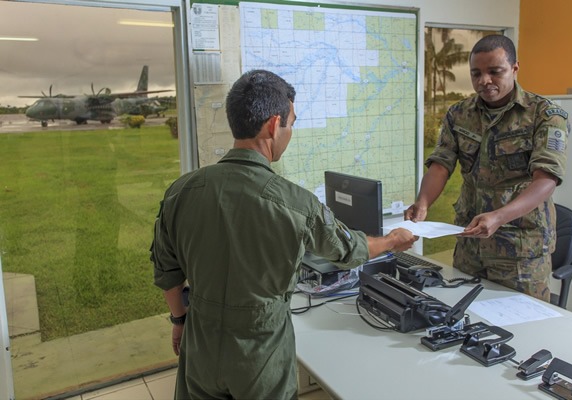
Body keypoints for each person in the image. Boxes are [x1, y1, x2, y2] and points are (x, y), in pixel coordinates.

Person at [150, 69, 417, 399]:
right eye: (290, 122)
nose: (289, 131)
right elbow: (348, 251)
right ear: (274, 125)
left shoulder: (181, 191)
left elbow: (167, 272)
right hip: (259, 353)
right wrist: (393, 240)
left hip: (200, 344)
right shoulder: (296, 203)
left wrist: (179, 321)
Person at [405, 35, 569, 302]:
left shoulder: (545, 115)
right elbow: (441, 165)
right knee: (461, 316)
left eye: (495, 72)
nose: (484, 80)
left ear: (515, 68)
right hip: (471, 245)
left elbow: (546, 179)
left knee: (524, 327)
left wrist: (499, 217)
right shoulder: (459, 114)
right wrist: (423, 202)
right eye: (476, 73)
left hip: (520, 251)